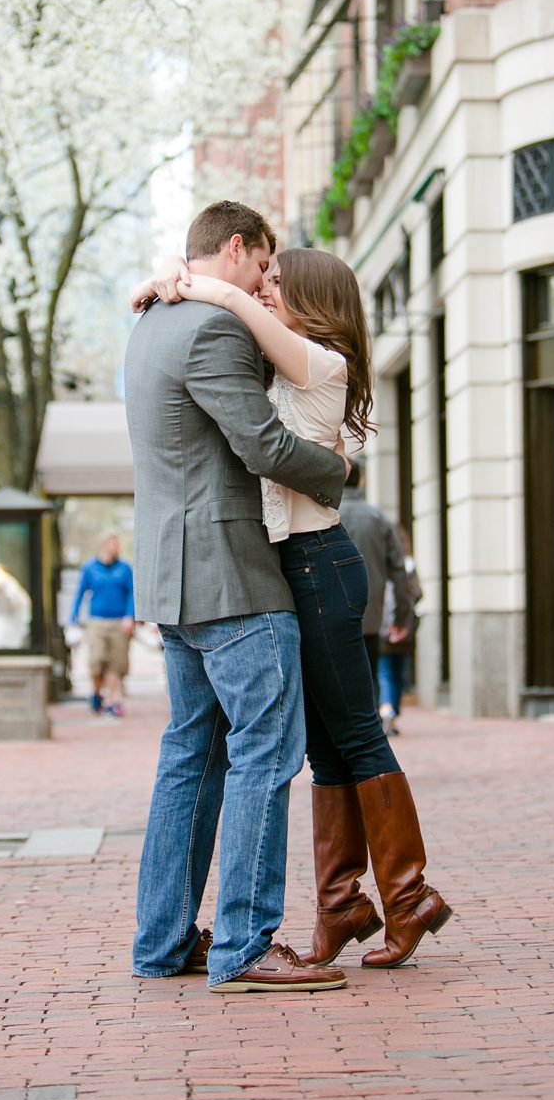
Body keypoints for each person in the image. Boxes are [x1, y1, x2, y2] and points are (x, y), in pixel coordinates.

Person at [135, 244, 451, 971]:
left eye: (281, 281)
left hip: (321, 567)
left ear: (311, 296)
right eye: (265, 276)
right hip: (292, 566)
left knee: (358, 737)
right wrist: (163, 281)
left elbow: (239, 313)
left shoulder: (320, 360)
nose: (267, 288)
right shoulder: (283, 356)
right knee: (326, 748)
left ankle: (409, 896)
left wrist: (195, 285)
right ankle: (341, 904)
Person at [126, 200, 349, 995]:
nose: (265, 283)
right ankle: (247, 947)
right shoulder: (212, 328)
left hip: (174, 580)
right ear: (237, 247)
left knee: (191, 756)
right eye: (263, 266)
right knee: (266, 751)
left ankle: (163, 942)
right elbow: (259, 442)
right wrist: (340, 471)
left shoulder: (153, 321)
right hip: (232, 578)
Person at [339, 462, 415, 705]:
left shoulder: (325, 514)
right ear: (361, 481)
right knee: (369, 681)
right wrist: (402, 617)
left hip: (330, 616)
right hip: (370, 617)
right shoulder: (379, 518)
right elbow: (399, 571)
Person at [69, 533, 135, 718]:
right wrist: (72, 619)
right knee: (96, 661)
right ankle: (97, 693)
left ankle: (111, 702)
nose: (118, 548)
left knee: (116, 663)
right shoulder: (90, 567)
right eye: (115, 544)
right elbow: (80, 593)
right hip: (96, 621)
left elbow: (132, 593)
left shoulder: (124, 568)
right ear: (105, 545)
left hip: (119, 622)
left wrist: (130, 616)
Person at [377, 528, 422, 735]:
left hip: (383, 626)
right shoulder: (409, 564)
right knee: (397, 673)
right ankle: (392, 715)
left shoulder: (379, 565)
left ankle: (386, 709)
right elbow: (417, 592)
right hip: (404, 627)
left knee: (385, 671)